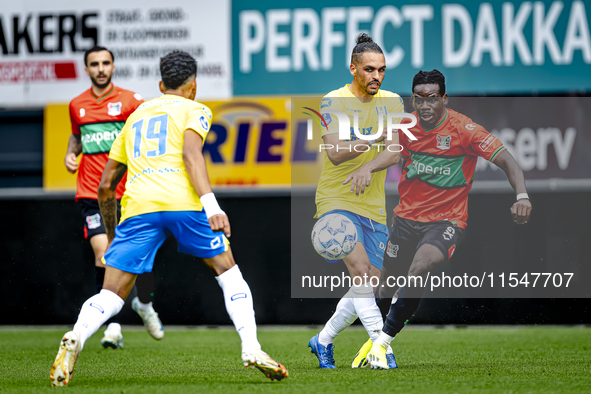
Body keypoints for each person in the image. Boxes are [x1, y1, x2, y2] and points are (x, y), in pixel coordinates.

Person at [50, 51, 289, 387]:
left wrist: (113, 232)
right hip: (183, 204)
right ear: (193, 86)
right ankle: (251, 347)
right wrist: (213, 207)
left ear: (161, 85)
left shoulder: (135, 116)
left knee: (112, 292)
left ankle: (76, 334)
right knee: (228, 272)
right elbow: (191, 156)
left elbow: (105, 187)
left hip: (138, 207)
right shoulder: (195, 109)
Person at [346, 69, 532, 369]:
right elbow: (391, 153)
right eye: (418, 100)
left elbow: (507, 160)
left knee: (421, 266)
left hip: (446, 221)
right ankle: (372, 343)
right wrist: (367, 164)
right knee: (385, 285)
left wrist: (521, 195)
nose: (425, 106)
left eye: (432, 99)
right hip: (405, 219)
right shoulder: (405, 126)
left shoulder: (465, 129)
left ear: (444, 98)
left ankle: (382, 343)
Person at [308, 33, 403, 369]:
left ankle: (322, 340)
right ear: (353, 68)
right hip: (335, 200)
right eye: (369, 70)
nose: (376, 76)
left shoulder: (391, 101)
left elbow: (394, 150)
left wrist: (369, 165)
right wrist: (371, 139)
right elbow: (334, 153)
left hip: (373, 206)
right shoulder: (332, 101)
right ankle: (381, 347)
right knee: (361, 273)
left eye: (381, 70)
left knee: (369, 285)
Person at [65, 46, 164, 348]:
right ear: (87, 69)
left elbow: (147, 136)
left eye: (105, 63)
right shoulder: (76, 105)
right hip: (92, 195)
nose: (100, 68)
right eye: (94, 64)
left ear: (113, 66)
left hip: (130, 196)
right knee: (105, 255)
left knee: (138, 262)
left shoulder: (131, 101)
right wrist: (71, 153)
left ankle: (143, 305)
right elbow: (77, 136)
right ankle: (114, 326)